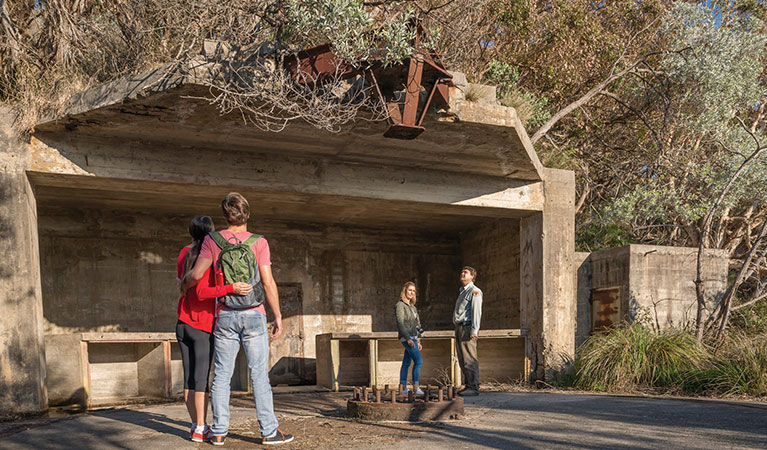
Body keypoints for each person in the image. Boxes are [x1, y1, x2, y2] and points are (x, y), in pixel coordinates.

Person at [182, 193, 294, 446]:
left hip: (225, 315)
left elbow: (197, 275)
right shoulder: (259, 242)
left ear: (225, 215)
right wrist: (277, 315)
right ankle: (269, 433)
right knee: (259, 376)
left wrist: (184, 284)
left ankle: (219, 432)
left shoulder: (213, 240)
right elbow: (267, 282)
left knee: (221, 376)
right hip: (254, 314)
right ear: (248, 215)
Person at [176, 216, 251, 442]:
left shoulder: (183, 253)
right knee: (201, 380)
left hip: (182, 322)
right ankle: (200, 427)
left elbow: (183, 282)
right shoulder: (207, 256)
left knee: (189, 379)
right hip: (202, 324)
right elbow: (201, 292)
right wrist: (230, 287)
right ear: (210, 233)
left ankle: (195, 425)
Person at [452, 266, 483, 396]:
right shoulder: (463, 291)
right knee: (462, 357)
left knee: (469, 357)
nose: (462, 274)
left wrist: (474, 330)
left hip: (467, 327)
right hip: (459, 327)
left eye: (466, 273)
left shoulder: (474, 291)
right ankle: (468, 385)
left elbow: (476, 311)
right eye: (462, 272)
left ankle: (473, 386)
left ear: (472, 276)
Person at [395, 281, 424, 395]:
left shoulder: (413, 307)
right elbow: (400, 323)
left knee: (406, 363)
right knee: (419, 361)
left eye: (413, 291)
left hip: (414, 337)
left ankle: (403, 389)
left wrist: (419, 340)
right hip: (407, 337)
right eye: (409, 290)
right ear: (405, 291)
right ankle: (416, 388)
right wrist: (408, 338)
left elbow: (418, 325)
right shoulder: (400, 305)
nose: (411, 292)